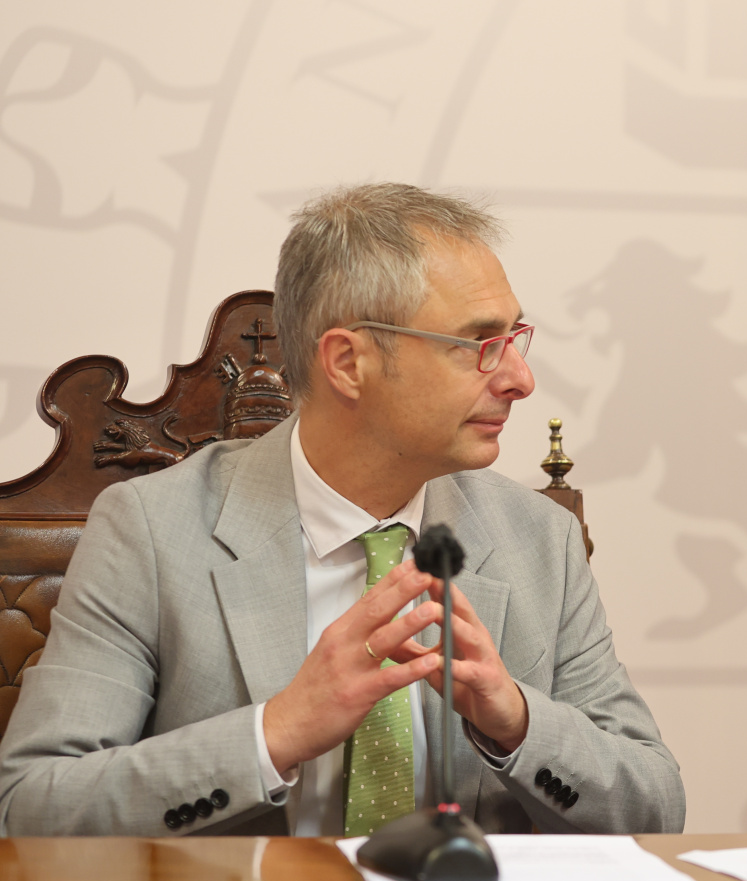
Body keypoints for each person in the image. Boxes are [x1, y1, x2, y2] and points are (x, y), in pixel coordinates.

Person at [0, 184, 685, 836]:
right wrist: (274, 734)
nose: (520, 379)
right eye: (480, 344)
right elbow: (31, 806)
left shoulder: (540, 540)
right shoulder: (150, 531)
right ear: (348, 363)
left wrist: (518, 721)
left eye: (515, 339)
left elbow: (655, 806)